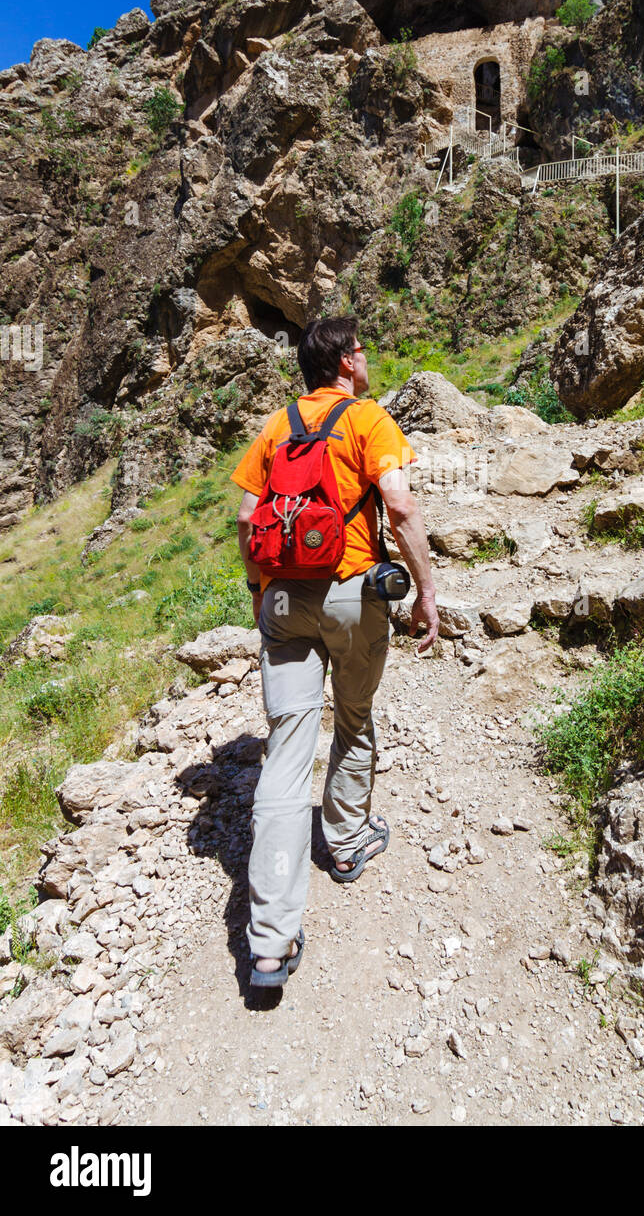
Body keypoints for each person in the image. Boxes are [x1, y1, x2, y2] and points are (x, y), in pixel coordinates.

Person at [232, 316, 440, 987]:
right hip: (351, 594)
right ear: (347, 361)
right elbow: (400, 507)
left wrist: (260, 592)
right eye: (364, 351)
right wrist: (426, 595)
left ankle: (269, 943)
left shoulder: (276, 425)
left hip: (284, 603)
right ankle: (346, 843)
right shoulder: (368, 419)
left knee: (286, 754)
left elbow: (244, 517)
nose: (368, 359)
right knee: (351, 716)